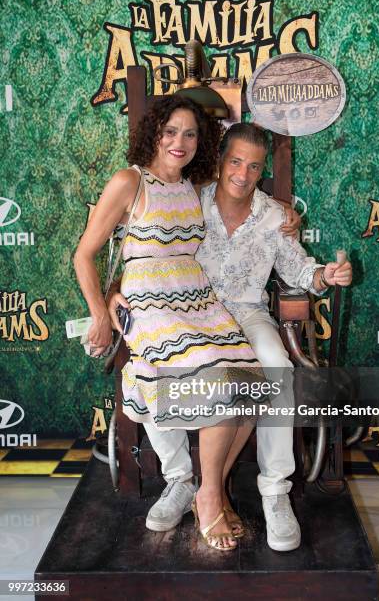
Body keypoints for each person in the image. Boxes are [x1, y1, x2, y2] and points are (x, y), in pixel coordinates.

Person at [108, 122, 353, 552]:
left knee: (275, 370)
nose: (242, 173)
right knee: (155, 370)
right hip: (190, 312)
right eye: (235, 161)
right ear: (220, 160)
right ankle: (182, 481)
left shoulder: (276, 216)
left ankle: (274, 491)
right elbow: (144, 247)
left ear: (262, 171)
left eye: (254, 166)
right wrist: (115, 294)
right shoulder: (189, 199)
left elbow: (298, 270)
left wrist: (323, 275)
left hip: (248, 312)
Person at [74, 96, 273, 552]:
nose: (179, 142)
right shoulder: (130, 181)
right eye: (170, 131)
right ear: (154, 133)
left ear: (201, 143)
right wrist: (104, 311)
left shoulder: (194, 184)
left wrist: (288, 217)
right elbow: (84, 254)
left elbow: (242, 195)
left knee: (252, 381)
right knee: (219, 379)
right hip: (150, 303)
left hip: (198, 298)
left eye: (190, 134)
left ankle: (207, 487)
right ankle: (206, 496)